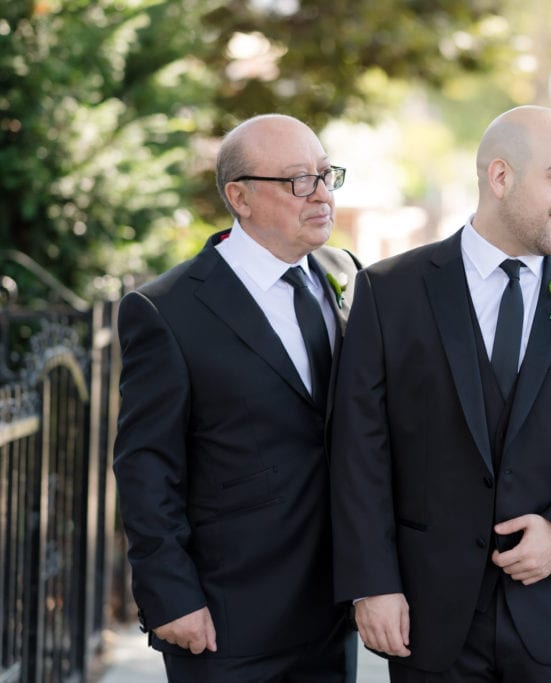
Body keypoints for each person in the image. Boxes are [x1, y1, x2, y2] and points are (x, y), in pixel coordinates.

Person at [329, 105, 551, 683]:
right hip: (427, 616)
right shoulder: (389, 293)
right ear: (500, 177)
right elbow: (359, 452)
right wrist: (372, 584)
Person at [112, 114, 361, 682]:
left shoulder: (344, 273)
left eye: (327, 175)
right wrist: (171, 594)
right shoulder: (166, 309)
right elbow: (147, 465)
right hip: (227, 618)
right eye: (299, 180)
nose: (321, 194)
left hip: (332, 612)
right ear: (239, 197)